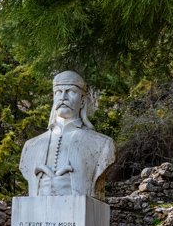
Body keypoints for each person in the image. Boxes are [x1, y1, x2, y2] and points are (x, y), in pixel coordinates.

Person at [19, 71, 115, 199]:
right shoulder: (30, 146)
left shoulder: (102, 144)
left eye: (71, 91)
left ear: (82, 101)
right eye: (58, 92)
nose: (63, 97)